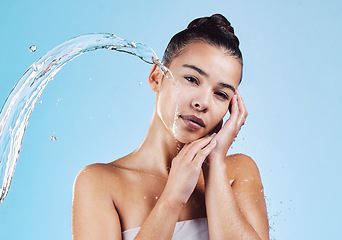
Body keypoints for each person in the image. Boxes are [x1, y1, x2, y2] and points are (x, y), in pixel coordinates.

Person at [72, 14, 269, 240]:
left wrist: (214, 166)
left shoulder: (238, 172)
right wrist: (172, 198)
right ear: (157, 77)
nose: (202, 103)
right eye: (192, 79)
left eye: (221, 94)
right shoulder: (100, 182)